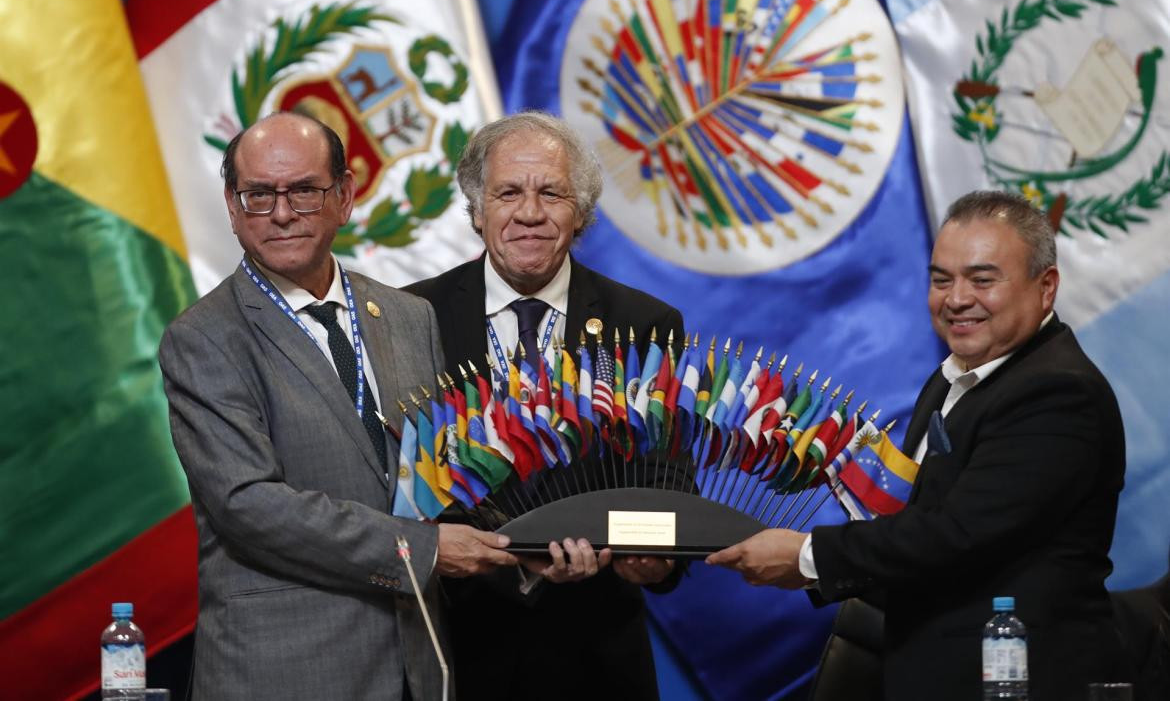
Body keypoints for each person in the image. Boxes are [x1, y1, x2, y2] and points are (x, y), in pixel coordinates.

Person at [708, 190, 1129, 700]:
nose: (956, 298)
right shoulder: (953, 377)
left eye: (982, 279)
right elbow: (916, 519)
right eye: (941, 279)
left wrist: (807, 555)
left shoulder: (1059, 392)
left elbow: (956, 535)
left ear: (1046, 288)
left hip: (1017, 682)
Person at [159, 112, 519, 701]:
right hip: (286, 673)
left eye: (303, 190)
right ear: (232, 205)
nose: (281, 213)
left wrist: (530, 546)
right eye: (258, 194)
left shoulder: (407, 317)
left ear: (345, 196)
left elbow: (444, 474)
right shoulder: (204, 338)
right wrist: (422, 551)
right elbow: (248, 505)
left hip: (420, 666)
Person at [406, 112, 685, 700]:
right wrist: (513, 565)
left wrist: (659, 560)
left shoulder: (644, 325)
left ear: (580, 214)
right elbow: (398, 485)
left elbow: (667, 483)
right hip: (461, 653)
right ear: (476, 211)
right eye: (508, 192)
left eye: (551, 193)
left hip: (598, 657)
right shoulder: (412, 319)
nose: (529, 213)